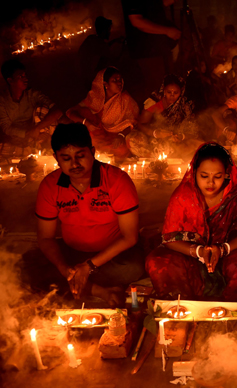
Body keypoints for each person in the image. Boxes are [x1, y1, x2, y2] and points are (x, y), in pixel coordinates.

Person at [26, 124, 144, 306]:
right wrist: (64, 269)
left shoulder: (117, 180)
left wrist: (89, 266)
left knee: (133, 268)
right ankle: (100, 290)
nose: (74, 164)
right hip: (72, 255)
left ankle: (78, 285)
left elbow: (130, 237)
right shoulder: (50, 186)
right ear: (56, 158)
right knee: (29, 266)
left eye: (80, 156)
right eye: (66, 158)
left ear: (92, 152)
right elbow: (45, 238)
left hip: (111, 256)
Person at [145, 143, 237, 300]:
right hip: (190, 255)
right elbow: (170, 239)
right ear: (194, 172)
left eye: (217, 176)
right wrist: (198, 252)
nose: (211, 183)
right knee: (157, 261)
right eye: (204, 176)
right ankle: (178, 305)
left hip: (230, 252)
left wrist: (222, 249)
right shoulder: (183, 196)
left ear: (227, 174)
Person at [66, 67, 139, 161]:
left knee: (121, 150)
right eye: (115, 80)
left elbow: (132, 121)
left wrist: (121, 135)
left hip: (115, 135)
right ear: (105, 84)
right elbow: (71, 112)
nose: (119, 83)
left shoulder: (125, 99)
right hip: (96, 134)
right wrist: (86, 122)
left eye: (120, 80)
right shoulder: (94, 98)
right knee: (85, 112)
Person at [121, 0, 181, 103]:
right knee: (156, 90)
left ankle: (167, 115)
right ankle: (154, 117)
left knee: (168, 86)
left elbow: (155, 5)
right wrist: (167, 31)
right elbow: (136, 20)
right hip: (147, 51)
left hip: (160, 48)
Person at [0, 59, 62, 156]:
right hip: (17, 137)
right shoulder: (2, 101)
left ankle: (49, 144)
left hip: (37, 133)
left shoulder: (32, 95)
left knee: (42, 110)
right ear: (10, 80)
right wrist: (28, 133)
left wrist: (37, 129)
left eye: (25, 75)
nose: (26, 79)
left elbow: (57, 110)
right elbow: (6, 128)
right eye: (20, 76)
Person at [128, 74, 196, 158]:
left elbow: (192, 130)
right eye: (169, 92)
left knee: (196, 144)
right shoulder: (155, 100)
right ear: (164, 90)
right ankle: (157, 158)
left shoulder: (185, 105)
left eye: (176, 92)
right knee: (133, 140)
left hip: (174, 141)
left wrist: (181, 136)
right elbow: (141, 124)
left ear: (181, 91)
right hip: (152, 137)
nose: (172, 95)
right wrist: (155, 133)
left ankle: (166, 156)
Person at [78, 16, 115, 86]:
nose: (110, 32)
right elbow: (110, 61)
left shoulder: (91, 39)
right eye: (108, 29)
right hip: (91, 80)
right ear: (104, 30)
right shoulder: (100, 44)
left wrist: (114, 41)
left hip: (84, 77)